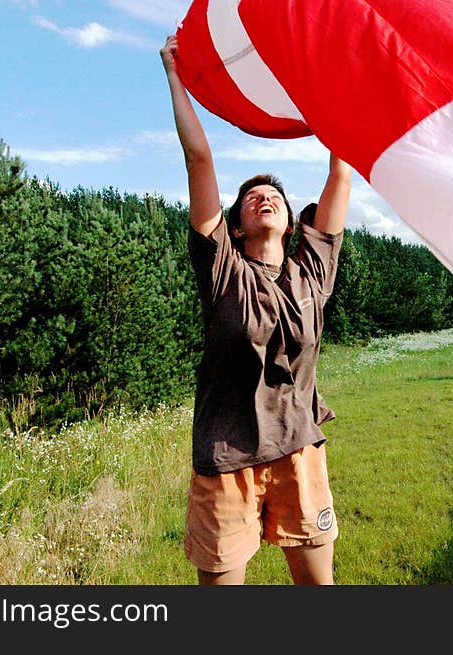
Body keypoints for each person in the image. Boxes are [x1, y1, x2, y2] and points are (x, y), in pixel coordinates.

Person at [160, 34, 352, 585]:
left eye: (274, 194)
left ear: (291, 222)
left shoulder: (311, 269)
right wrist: (175, 72)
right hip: (227, 460)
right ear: (236, 226)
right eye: (250, 197)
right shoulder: (222, 269)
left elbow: (341, 173)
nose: (263, 196)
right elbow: (199, 157)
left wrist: (339, 86)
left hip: (299, 451)